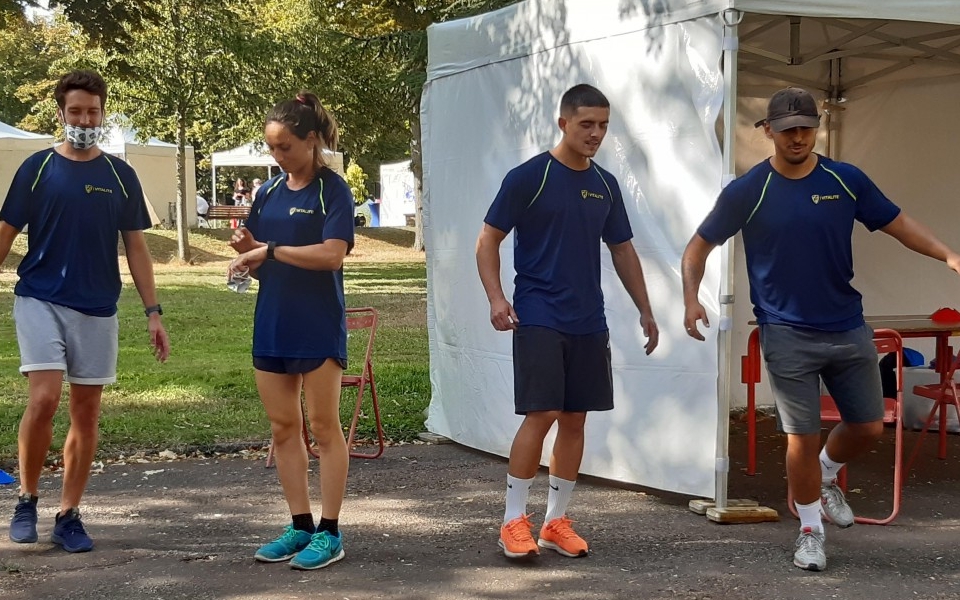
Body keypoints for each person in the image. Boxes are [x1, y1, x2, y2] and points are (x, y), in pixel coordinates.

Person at [681, 87, 960, 572]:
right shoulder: (749, 190)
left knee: (868, 426)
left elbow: (898, 223)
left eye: (805, 128)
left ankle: (827, 473)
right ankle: (810, 531)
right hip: (785, 331)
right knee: (801, 437)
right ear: (768, 131)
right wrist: (690, 298)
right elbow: (698, 247)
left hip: (847, 326)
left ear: (817, 127)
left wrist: (948, 255)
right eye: (787, 130)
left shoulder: (845, 180)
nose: (797, 137)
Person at [476, 84, 659, 561]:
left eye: (603, 125)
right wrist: (496, 298)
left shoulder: (605, 184)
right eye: (586, 124)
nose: (595, 133)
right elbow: (487, 240)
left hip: (588, 320)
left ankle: (555, 522)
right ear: (563, 123)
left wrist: (645, 309)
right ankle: (512, 521)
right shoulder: (529, 177)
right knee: (542, 413)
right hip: (538, 313)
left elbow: (623, 250)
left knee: (576, 418)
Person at [3, 70, 171, 553]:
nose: (83, 120)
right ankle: (27, 498)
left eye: (92, 112)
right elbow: (5, 232)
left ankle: (69, 514)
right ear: (60, 113)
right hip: (40, 298)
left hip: (98, 306)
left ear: (103, 114)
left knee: (87, 411)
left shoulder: (119, 175)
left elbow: (136, 247)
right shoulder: (37, 168)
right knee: (44, 398)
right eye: (75, 111)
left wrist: (153, 312)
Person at [229, 90, 353, 570]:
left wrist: (270, 250)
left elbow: (332, 255)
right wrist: (247, 251)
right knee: (284, 428)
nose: (277, 156)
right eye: (271, 147)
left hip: (317, 323)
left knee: (323, 428)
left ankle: (330, 532)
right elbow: (263, 262)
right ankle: (299, 526)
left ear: (311, 139)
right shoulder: (267, 193)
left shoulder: (332, 190)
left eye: (285, 146)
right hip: (273, 323)